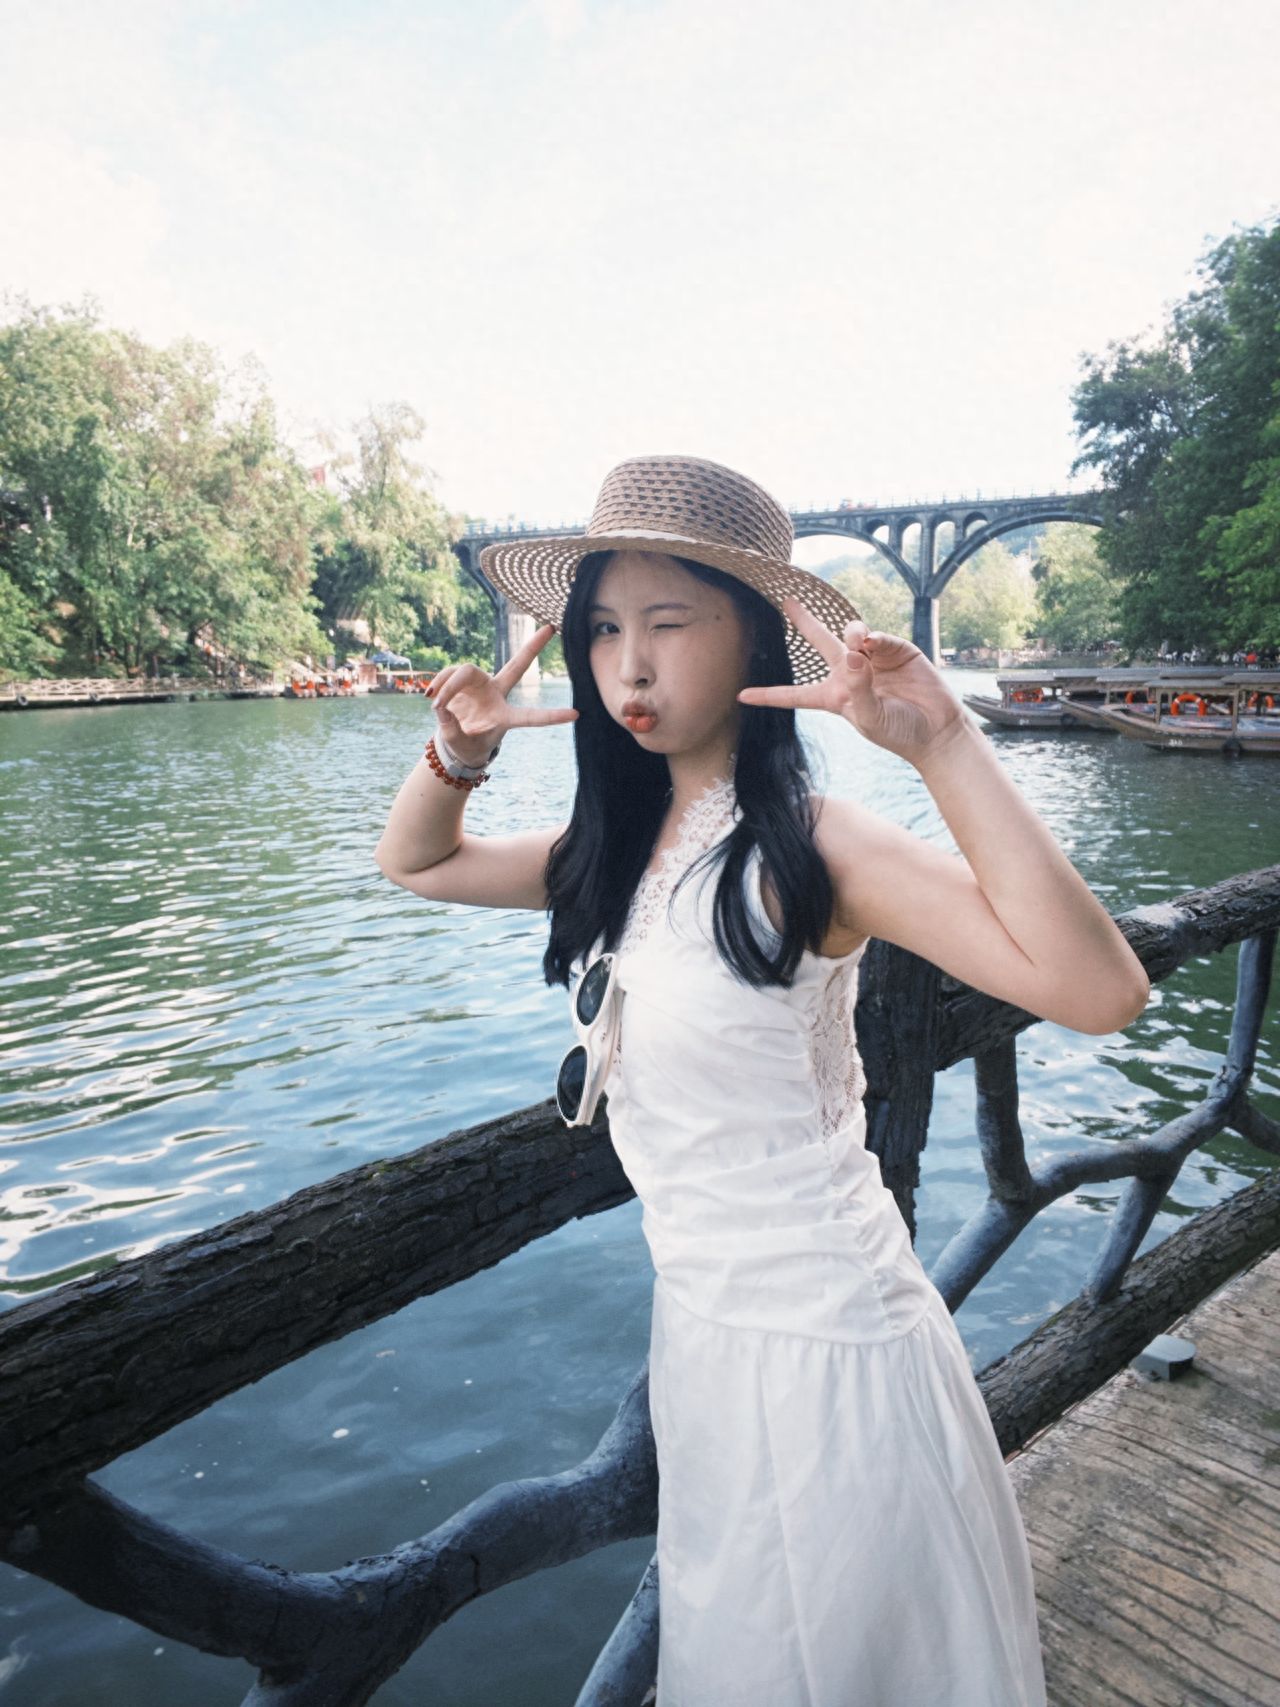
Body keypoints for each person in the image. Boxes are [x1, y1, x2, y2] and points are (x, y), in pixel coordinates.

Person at [373, 454, 1150, 1705]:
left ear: (755, 637)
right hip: (709, 1351)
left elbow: (1101, 993)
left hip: (833, 1359)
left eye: (669, 625)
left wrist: (942, 741)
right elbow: (416, 864)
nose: (628, 665)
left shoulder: (813, 846)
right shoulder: (617, 847)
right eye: (606, 628)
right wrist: (455, 754)